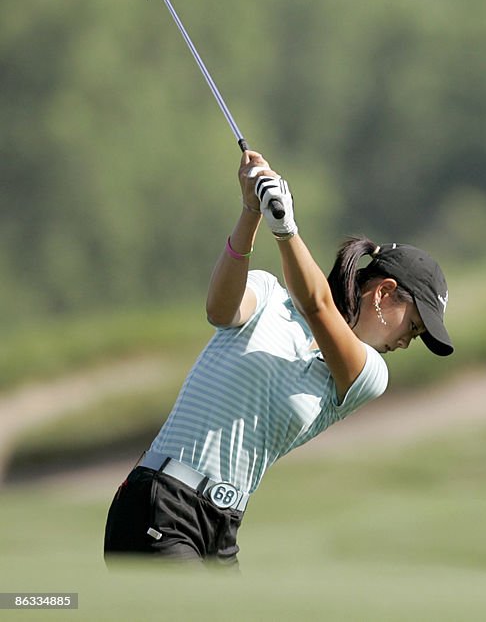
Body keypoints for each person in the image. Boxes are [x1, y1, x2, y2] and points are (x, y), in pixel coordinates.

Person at [104, 151, 453, 567]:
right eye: (412, 326)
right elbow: (219, 309)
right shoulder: (269, 295)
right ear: (382, 294)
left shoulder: (369, 375)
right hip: (161, 502)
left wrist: (286, 229)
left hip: (222, 526)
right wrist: (252, 211)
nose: (406, 342)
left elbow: (319, 306)